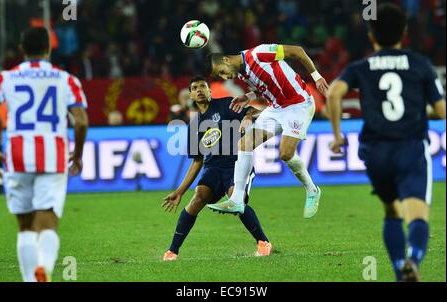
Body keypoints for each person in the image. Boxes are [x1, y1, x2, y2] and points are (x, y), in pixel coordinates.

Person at [326, 4, 445, 282]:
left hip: (376, 152)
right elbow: (441, 111)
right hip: (411, 147)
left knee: (391, 210)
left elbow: (333, 94)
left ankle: (398, 267)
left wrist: (337, 135)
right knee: (417, 214)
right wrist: (418, 110)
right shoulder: (420, 64)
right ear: (404, 32)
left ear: (371, 35)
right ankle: (413, 260)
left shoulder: (362, 66)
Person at [0, 27, 88, 282]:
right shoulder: (66, 79)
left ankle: (30, 278)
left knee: (25, 227)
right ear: (49, 49)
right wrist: (77, 155)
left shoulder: (5, 78)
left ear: (21, 49)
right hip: (53, 156)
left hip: (16, 155)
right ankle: (44, 268)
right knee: (48, 221)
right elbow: (81, 121)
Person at [205, 43, 329, 217]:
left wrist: (316, 76)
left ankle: (312, 190)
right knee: (244, 144)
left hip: (298, 104)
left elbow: (297, 51)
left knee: (285, 154)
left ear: (226, 60)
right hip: (276, 108)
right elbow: (264, 85)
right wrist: (248, 96)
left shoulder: (259, 53)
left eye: (222, 72)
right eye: (220, 76)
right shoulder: (242, 73)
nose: (225, 77)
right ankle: (237, 200)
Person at [161, 76, 272, 260]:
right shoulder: (194, 125)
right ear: (191, 95)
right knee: (197, 199)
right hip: (212, 168)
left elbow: (257, 110)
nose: (199, 90)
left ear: (210, 91)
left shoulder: (227, 104)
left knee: (237, 201)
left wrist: (246, 116)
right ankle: (172, 251)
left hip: (236, 164)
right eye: (195, 87)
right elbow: (197, 161)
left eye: (203, 86)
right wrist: (180, 191)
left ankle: (263, 242)